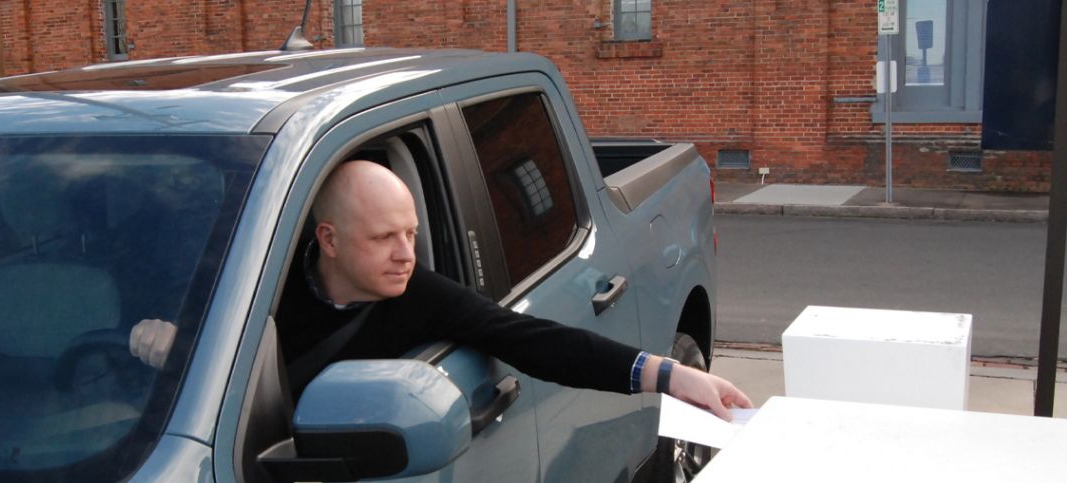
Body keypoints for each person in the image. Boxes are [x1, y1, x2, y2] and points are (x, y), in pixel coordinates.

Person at [130, 160, 751, 419]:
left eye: (412, 232)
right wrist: (178, 345)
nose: (407, 254)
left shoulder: (419, 296)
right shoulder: (258, 286)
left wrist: (673, 377)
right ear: (329, 239)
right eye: (384, 239)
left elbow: (535, 341)